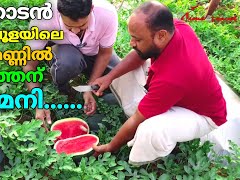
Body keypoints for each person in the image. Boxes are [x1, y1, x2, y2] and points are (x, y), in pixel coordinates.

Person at [91, 0, 227, 165]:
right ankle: (137, 110)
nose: (131, 42)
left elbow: (137, 119)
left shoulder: (173, 77)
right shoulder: (176, 27)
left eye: (137, 39)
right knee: (120, 69)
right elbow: (139, 54)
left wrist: (111, 146)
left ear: (161, 35)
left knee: (151, 130)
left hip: (203, 116)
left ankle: (146, 159)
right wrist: (109, 77)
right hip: (179, 91)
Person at [23, 0, 120, 127]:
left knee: (120, 77)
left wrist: (89, 88)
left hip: (94, 53)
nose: (75, 31)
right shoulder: (43, 17)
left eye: (82, 25)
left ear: (91, 8)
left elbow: (104, 54)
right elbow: (29, 65)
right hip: (63, 51)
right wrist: (38, 103)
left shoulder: (107, 13)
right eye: (68, 26)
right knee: (67, 64)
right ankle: (64, 89)